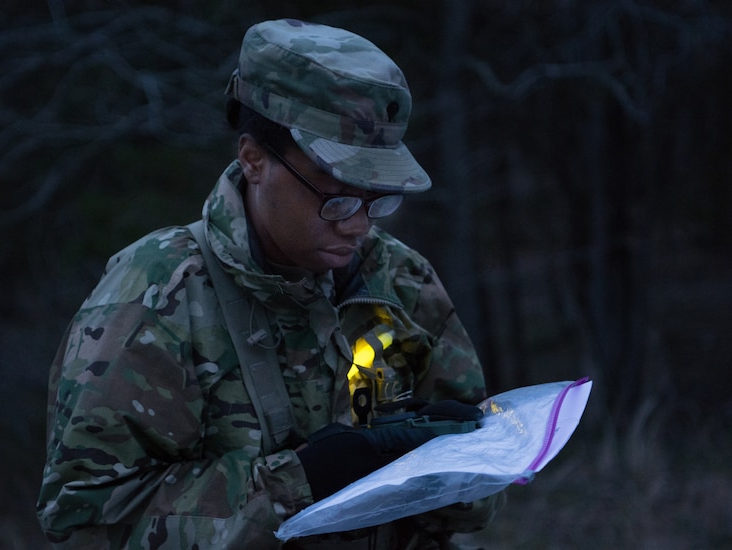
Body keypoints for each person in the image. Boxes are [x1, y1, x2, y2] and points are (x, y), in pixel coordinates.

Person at [37, 18, 505, 549]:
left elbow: (473, 514)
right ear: (254, 160)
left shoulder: (399, 281)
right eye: (336, 195)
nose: (359, 223)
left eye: (378, 197)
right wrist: (300, 482)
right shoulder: (157, 294)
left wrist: (455, 463)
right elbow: (84, 523)